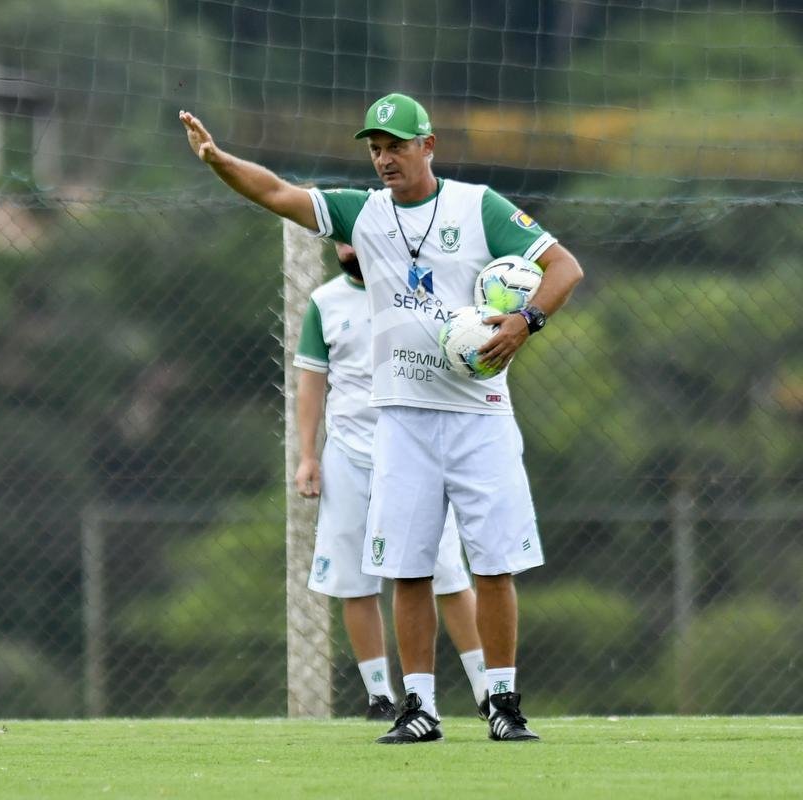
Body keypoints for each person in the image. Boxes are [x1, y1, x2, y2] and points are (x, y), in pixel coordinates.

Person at [180, 93, 583, 743]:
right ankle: (418, 707)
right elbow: (277, 193)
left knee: (494, 564)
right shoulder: (361, 212)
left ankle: (504, 704)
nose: (384, 158)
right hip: (402, 419)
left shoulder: (477, 206)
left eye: (396, 146)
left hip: (479, 415)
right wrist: (218, 159)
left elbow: (564, 267)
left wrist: (525, 321)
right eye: (375, 149)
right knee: (407, 567)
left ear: (429, 146)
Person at [294, 242, 489, 722]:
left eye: (355, 236)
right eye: (340, 237)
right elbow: (312, 382)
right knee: (354, 582)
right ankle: (380, 697)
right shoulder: (324, 302)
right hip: (348, 456)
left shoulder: (421, 291)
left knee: (447, 574)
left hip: (417, 454)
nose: (347, 246)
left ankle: (488, 690)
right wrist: (307, 456)